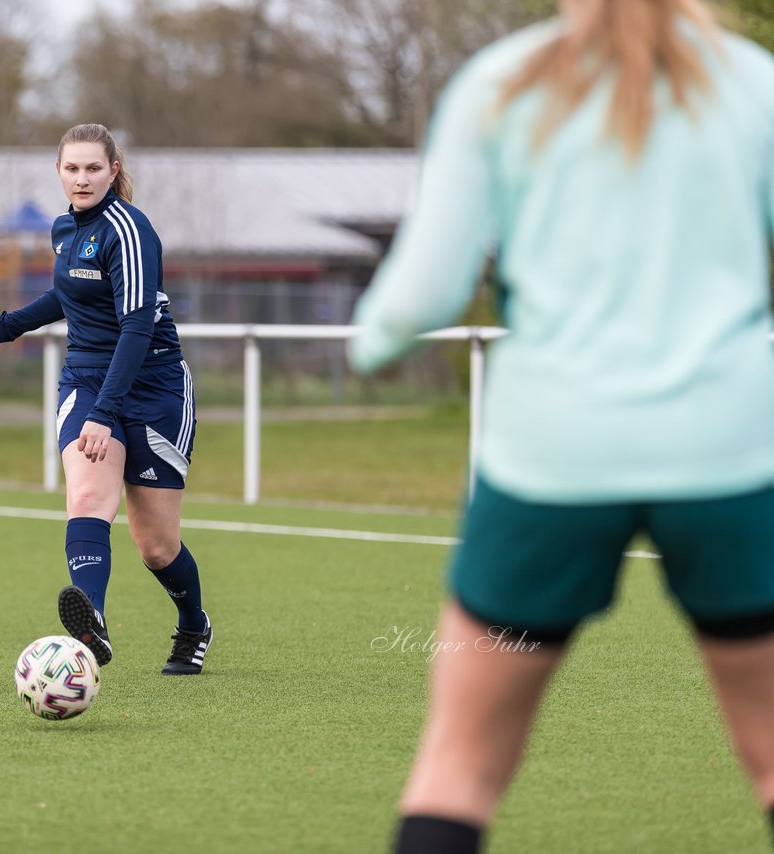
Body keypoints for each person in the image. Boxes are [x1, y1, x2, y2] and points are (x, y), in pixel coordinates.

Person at [349, 1, 774, 850]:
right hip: (730, 458)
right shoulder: (755, 85)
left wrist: (369, 344)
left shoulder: (499, 86)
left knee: (459, 768)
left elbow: (427, 288)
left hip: (550, 460)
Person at [0, 123, 212, 675]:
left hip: (153, 385)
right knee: (89, 497)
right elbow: (65, 296)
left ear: (113, 171)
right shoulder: (65, 228)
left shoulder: (130, 230)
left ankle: (194, 624)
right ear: (58, 171)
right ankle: (91, 618)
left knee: (156, 546)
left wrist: (105, 414)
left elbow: (137, 328)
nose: (82, 178)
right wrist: (4, 327)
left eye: (93, 168)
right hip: (86, 378)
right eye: (72, 168)